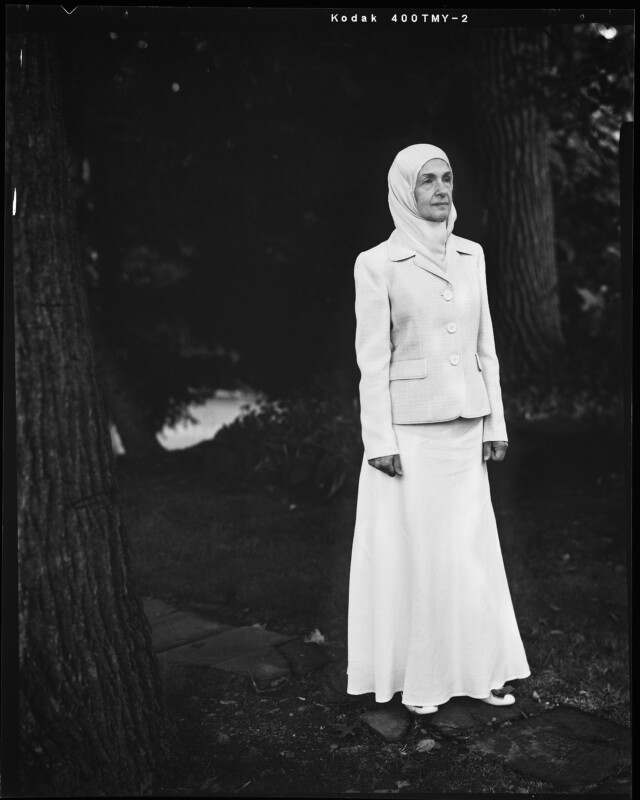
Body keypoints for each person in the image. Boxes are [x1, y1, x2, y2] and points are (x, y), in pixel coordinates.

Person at [347, 143, 530, 715]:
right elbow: (372, 360)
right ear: (405, 189)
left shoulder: (472, 254)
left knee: (470, 555)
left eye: (447, 178)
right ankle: (422, 682)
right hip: (411, 438)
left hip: (464, 431)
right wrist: (379, 441)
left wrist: (494, 421)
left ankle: (480, 675)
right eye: (427, 180)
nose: (441, 189)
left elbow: (486, 348)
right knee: (421, 559)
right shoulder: (377, 263)